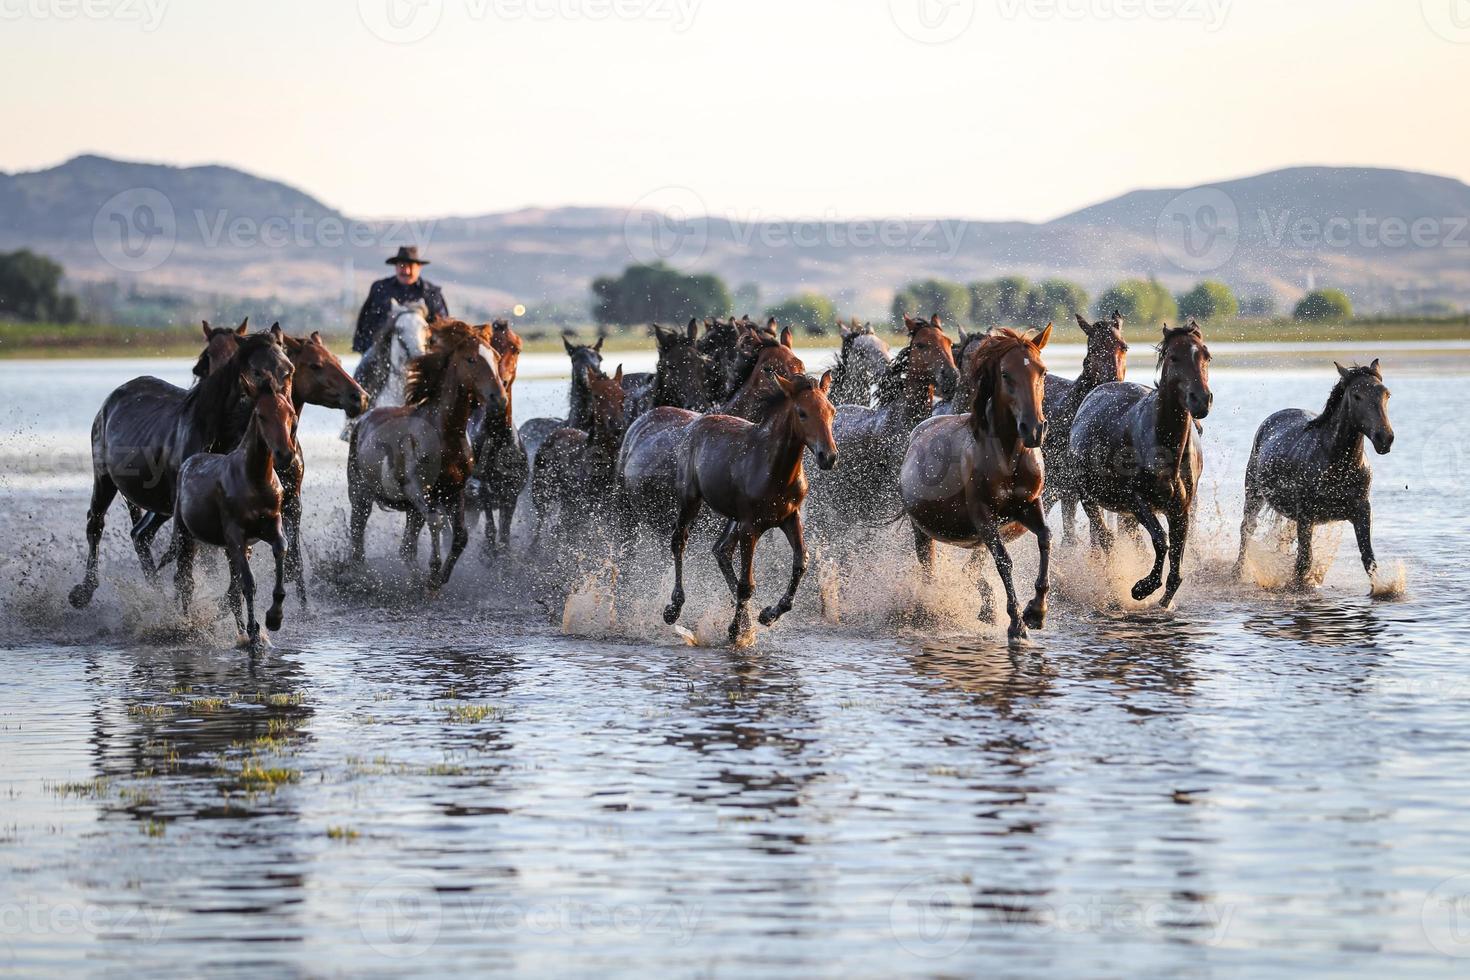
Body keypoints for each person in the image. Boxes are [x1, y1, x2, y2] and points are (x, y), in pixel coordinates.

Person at [352, 246, 450, 385]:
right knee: (361, 371)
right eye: (402, 266)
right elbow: (366, 321)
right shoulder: (380, 288)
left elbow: (443, 326)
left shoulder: (431, 293)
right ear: (396, 267)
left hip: (424, 351)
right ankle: (359, 402)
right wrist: (367, 345)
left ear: (419, 267)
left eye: (410, 266)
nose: (406, 271)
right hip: (381, 349)